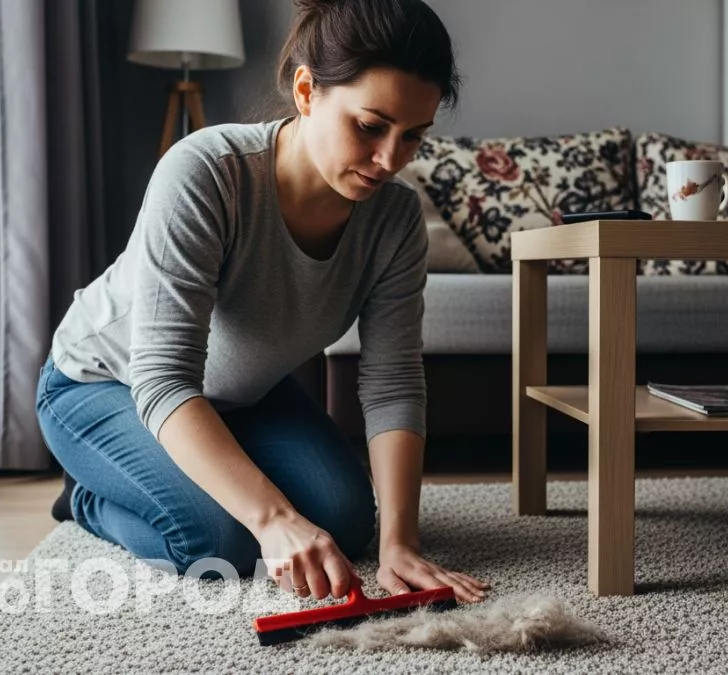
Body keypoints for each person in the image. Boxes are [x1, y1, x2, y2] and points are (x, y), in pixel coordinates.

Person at [36, 0, 489, 605]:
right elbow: (164, 379)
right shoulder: (206, 172)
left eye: (413, 137)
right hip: (100, 383)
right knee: (221, 541)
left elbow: (393, 384)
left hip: (240, 396)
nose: (389, 160)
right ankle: (91, 497)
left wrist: (398, 544)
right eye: (370, 126)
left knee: (350, 526)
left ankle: (185, 483)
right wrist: (274, 519)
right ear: (307, 91)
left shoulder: (396, 220)